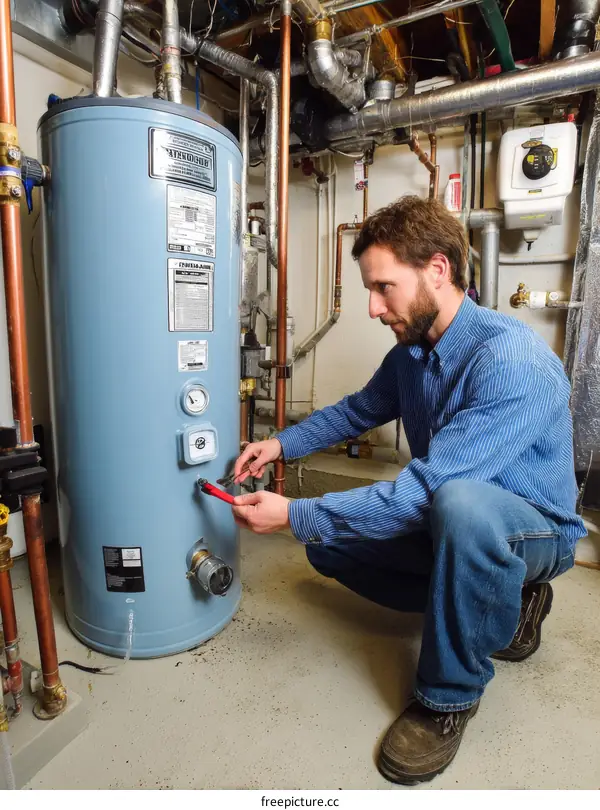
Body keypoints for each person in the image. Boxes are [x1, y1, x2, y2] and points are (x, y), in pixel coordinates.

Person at [231, 195, 586, 785]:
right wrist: (280, 446)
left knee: (460, 503)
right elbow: (359, 410)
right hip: (451, 514)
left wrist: (294, 513)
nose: (373, 307)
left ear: (438, 270)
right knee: (329, 548)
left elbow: (425, 492)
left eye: (383, 287)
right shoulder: (412, 355)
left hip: (531, 527)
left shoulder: (511, 359)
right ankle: (492, 601)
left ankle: (449, 696)